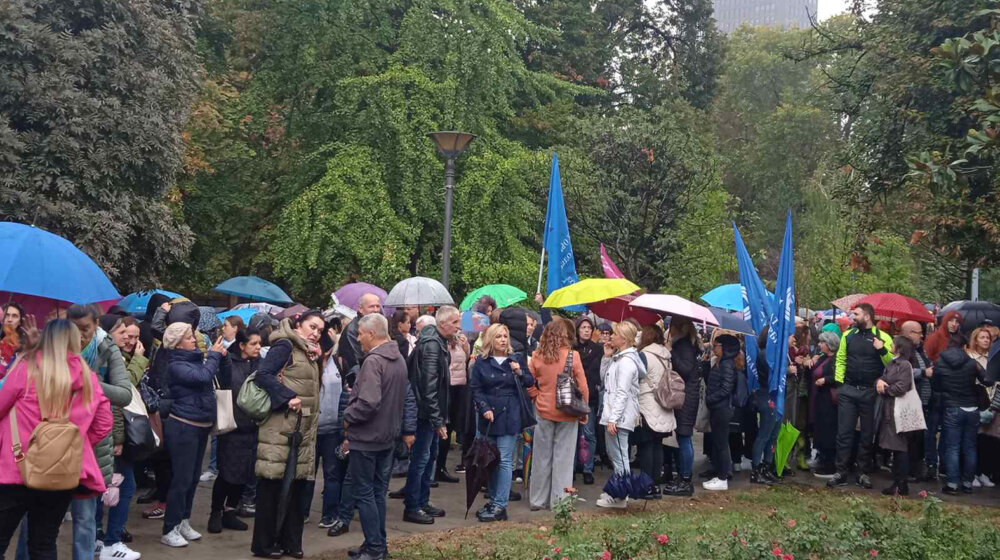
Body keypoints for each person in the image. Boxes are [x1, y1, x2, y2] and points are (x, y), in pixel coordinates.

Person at [0, 319, 112, 560]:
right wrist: (71, 445)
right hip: (61, 472)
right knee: (44, 542)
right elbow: (104, 424)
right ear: (75, 341)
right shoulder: (88, 378)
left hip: (14, 468)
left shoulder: (26, 368)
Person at [250, 311, 324, 558]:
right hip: (279, 426)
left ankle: (291, 542)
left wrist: (318, 354)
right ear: (298, 324)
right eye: (312, 327)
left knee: (296, 488)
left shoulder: (308, 351)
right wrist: (286, 397)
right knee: (272, 486)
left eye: (320, 330)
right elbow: (263, 376)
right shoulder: (284, 346)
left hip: (301, 429)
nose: (316, 333)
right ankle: (264, 544)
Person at [343, 313, 414, 560]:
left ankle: (374, 548)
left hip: (368, 438)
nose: (358, 337)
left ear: (372, 334)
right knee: (377, 494)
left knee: (365, 493)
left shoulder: (374, 361)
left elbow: (369, 401)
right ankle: (377, 545)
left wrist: (348, 415)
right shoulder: (398, 359)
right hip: (387, 437)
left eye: (361, 333)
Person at [66, 304, 133, 560]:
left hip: (92, 445)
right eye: (74, 329)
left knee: (85, 518)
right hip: (55, 443)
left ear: (96, 325)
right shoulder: (55, 348)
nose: (80, 335)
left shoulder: (107, 348)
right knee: (39, 516)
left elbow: (124, 394)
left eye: (85, 329)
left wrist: (89, 380)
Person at [159, 322, 228, 548]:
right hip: (183, 425)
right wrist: (215, 356)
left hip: (200, 424)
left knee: (193, 477)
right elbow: (202, 377)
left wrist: (218, 356)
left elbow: (207, 373)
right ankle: (169, 528)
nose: (195, 340)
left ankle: (183, 520)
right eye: (190, 337)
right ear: (178, 343)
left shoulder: (195, 358)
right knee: (182, 478)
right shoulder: (176, 363)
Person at [468, 324, 533, 522]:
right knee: (490, 459)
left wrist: (519, 372)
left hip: (509, 414)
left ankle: (500, 505)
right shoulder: (481, 361)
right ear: (490, 340)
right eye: (498, 337)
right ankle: (494, 499)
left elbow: (530, 382)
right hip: (488, 415)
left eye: (506, 336)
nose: (503, 340)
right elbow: (476, 388)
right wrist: (484, 407)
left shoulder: (517, 359)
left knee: (504, 459)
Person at [96, 316, 147, 560]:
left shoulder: (109, 356)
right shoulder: (107, 359)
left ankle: (98, 538)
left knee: (102, 487)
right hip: (111, 436)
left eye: (134, 335)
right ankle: (111, 541)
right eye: (124, 332)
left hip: (110, 434)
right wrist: (117, 439)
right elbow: (120, 399)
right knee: (124, 486)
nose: (129, 338)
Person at [827, 304, 893, 489]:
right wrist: (840, 384)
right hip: (848, 390)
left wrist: (881, 350)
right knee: (844, 432)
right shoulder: (848, 335)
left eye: (856, 314)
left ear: (867, 316)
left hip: (870, 391)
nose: (852, 317)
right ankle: (841, 471)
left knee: (867, 434)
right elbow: (840, 358)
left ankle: (863, 472)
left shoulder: (883, 337)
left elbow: (892, 363)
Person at [403, 306, 458, 524]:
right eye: (454, 322)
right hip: (424, 414)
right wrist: (437, 419)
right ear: (442, 323)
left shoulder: (437, 342)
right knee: (421, 459)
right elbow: (428, 386)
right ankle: (413, 506)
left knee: (429, 458)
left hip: (430, 412)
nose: (457, 326)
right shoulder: (433, 345)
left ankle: (422, 501)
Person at [525, 319, 588, 510]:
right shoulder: (573, 355)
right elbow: (583, 386)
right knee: (564, 458)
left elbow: (528, 381)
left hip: (543, 410)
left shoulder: (537, 356)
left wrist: (536, 395)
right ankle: (559, 501)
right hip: (568, 411)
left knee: (541, 457)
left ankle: (537, 500)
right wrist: (583, 410)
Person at [208, 329, 261, 534]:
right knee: (227, 473)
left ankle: (231, 511)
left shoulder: (260, 364)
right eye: (253, 343)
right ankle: (216, 512)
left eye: (259, 343)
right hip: (232, 426)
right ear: (242, 345)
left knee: (245, 473)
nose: (258, 347)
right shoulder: (229, 362)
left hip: (252, 427)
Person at [595, 321, 643, 508]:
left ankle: (621, 496)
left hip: (619, 417)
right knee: (616, 455)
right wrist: (606, 358)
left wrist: (613, 418)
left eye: (614, 334)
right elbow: (605, 380)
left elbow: (622, 392)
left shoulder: (627, 362)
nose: (610, 337)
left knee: (621, 456)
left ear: (623, 338)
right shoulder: (619, 359)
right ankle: (617, 491)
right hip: (613, 414)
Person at [634, 325, 676, 499]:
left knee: (646, 446)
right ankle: (655, 484)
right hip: (663, 404)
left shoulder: (644, 355)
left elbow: (636, 377)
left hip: (647, 404)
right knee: (658, 445)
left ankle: (646, 485)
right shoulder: (666, 356)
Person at [663, 317, 702, 497]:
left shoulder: (684, 346)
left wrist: (672, 353)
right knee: (682, 437)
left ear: (678, 329)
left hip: (686, 398)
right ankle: (683, 476)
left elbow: (685, 369)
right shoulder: (686, 345)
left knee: (685, 438)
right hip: (687, 397)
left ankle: (686, 479)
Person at [876, 335, 916, 496]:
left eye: (892, 343)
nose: (889, 345)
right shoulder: (893, 363)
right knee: (896, 447)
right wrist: (879, 382)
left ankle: (901, 483)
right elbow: (885, 378)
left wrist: (885, 389)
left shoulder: (904, 365)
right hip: (890, 409)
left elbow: (901, 387)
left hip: (898, 410)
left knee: (900, 448)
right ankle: (898, 482)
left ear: (899, 348)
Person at [900, 321, 938, 481]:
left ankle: (915, 469)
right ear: (909, 333)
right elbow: (901, 369)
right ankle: (907, 471)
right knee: (910, 438)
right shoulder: (904, 350)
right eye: (918, 332)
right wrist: (923, 372)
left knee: (919, 438)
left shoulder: (919, 350)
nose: (922, 335)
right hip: (910, 401)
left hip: (924, 400)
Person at [702, 334, 740, 492]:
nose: (714, 347)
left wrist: (710, 399)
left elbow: (726, 388)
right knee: (718, 442)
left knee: (722, 443)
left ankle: (723, 477)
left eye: (716, 345)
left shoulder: (727, 364)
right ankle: (719, 473)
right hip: (717, 407)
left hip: (722, 408)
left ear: (724, 347)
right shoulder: (720, 362)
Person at [436, 330, 470, 483]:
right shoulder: (442, 343)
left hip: (460, 387)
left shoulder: (461, 341)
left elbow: (465, 360)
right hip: (448, 387)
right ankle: (437, 468)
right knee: (444, 426)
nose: (457, 329)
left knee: (451, 427)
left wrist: (465, 346)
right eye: (454, 324)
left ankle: (441, 467)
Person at [572, 317, 602, 485]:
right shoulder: (572, 348)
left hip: (590, 396)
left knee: (589, 433)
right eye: (583, 327)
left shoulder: (597, 349)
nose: (586, 330)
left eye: (589, 328)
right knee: (574, 433)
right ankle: (575, 464)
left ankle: (587, 468)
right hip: (573, 396)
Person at [967, 327, 999, 488]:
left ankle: (983, 472)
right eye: (982, 337)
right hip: (975, 400)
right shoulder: (970, 357)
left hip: (992, 401)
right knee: (974, 440)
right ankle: (971, 473)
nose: (986, 340)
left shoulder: (993, 358)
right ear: (975, 339)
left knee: (989, 441)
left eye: (988, 338)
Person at [810, 331, 840, 477]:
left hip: (829, 400)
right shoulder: (822, 358)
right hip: (820, 399)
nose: (819, 345)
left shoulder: (837, 359)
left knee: (829, 432)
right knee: (821, 429)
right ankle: (823, 459)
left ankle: (830, 466)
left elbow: (839, 377)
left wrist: (826, 380)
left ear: (829, 345)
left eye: (822, 343)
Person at [338, 294, 382, 382]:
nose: (376, 310)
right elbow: (356, 361)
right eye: (371, 306)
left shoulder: (375, 327)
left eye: (377, 306)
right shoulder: (353, 330)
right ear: (361, 309)